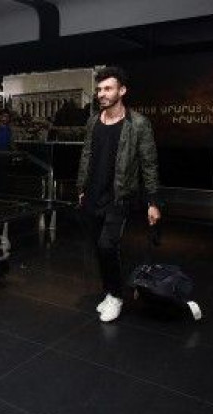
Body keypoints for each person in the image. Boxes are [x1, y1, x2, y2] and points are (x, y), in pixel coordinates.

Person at [77, 66, 161, 322]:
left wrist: (153, 202)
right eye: (99, 89)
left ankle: (116, 296)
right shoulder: (93, 121)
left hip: (119, 196)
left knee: (107, 245)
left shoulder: (138, 124)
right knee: (99, 248)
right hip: (93, 195)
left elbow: (149, 164)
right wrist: (81, 189)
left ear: (122, 91)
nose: (102, 94)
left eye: (108, 88)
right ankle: (109, 290)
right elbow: (87, 156)